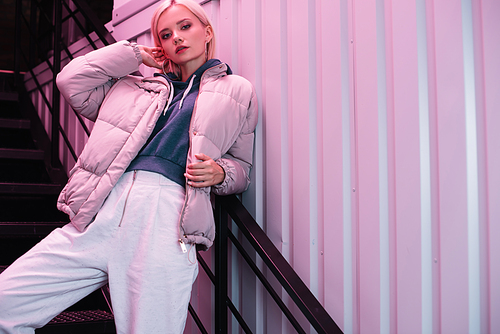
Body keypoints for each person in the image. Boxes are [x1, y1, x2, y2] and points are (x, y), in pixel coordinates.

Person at [0, 0, 258, 332]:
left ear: (206, 31)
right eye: (165, 34)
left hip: (166, 221)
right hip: (101, 211)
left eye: (185, 27)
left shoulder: (237, 91)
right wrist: (133, 55)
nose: (176, 38)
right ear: (160, 44)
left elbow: (241, 167)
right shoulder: (131, 86)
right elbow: (70, 80)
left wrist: (221, 173)